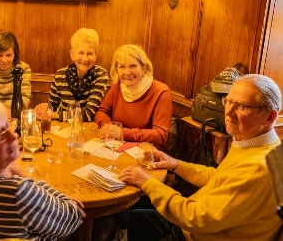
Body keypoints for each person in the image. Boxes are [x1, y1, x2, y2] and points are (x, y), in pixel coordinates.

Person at [119, 74, 283, 241]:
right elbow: (219, 177)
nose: (228, 112)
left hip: (198, 232)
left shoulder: (257, 170)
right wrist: (176, 164)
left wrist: (147, 182)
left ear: (269, 116)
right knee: (138, 217)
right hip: (200, 226)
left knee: (140, 215)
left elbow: (196, 218)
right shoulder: (255, 143)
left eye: (242, 107)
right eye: (229, 101)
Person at [0, 96, 84, 240]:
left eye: (8, 125)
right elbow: (74, 216)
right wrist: (28, 177)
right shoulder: (19, 193)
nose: (14, 136)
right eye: (0, 135)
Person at [95, 44, 172, 151]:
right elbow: (102, 111)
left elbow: (160, 135)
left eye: (132, 66)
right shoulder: (118, 87)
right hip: (119, 145)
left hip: (148, 153)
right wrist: (109, 129)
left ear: (144, 68)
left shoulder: (161, 91)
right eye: (122, 66)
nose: (127, 72)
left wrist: (121, 132)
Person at [35, 28, 108, 121]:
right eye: (80, 53)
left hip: (89, 130)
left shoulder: (100, 74)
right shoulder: (60, 75)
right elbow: (52, 105)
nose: (85, 59)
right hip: (64, 129)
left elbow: (88, 114)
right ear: (72, 55)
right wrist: (44, 108)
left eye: (90, 53)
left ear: (96, 55)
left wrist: (53, 115)